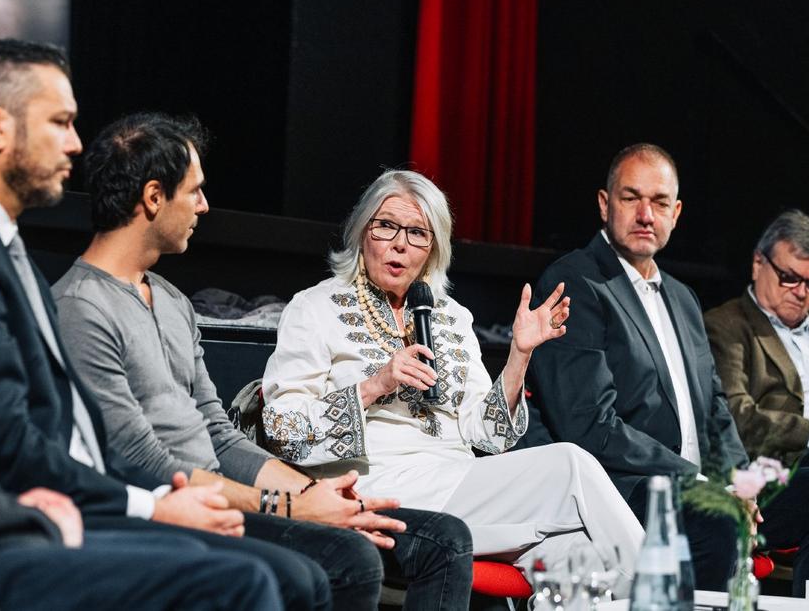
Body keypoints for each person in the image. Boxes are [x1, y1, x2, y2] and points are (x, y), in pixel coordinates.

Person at [0, 56, 280, 610]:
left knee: (257, 571)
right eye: (61, 122)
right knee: (243, 580)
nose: (75, 144)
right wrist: (37, 515)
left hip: (13, 508)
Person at [52, 112, 475, 610]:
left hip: (222, 492)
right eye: (194, 191)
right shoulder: (81, 306)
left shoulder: (171, 300)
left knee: (412, 544)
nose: (204, 206)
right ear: (153, 198)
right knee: (345, 561)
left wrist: (316, 496)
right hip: (163, 505)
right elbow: (139, 460)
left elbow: (218, 433)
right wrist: (292, 504)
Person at [259, 168, 644, 593]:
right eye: (386, 225)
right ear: (362, 231)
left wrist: (520, 355)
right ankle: (669, 592)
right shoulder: (315, 308)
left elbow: (489, 435)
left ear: (433, 248)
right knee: (569, 464)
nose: (400, 244)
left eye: (417, 233)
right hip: (380, 485)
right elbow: (281, 430)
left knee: (580, 560)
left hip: (461, 483)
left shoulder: (452, 317)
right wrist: (375, 385)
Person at [528, 143, 749, 591]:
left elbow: (715, 406)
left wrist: (741, 483)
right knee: (716, 520)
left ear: (676, 213)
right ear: (604, 204)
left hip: (701, 485)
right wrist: (695, 478)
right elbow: (588, 424)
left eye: (660, 202)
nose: (646, 215)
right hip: (625, 485)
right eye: (631, 198)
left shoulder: (683, 298)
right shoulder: (576, 281)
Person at [705, 209, 809, 594]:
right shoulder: (726, 326)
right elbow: (735, 415)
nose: (801, 292)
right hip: (769, 480)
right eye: (790, 278)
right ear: (759, 263)